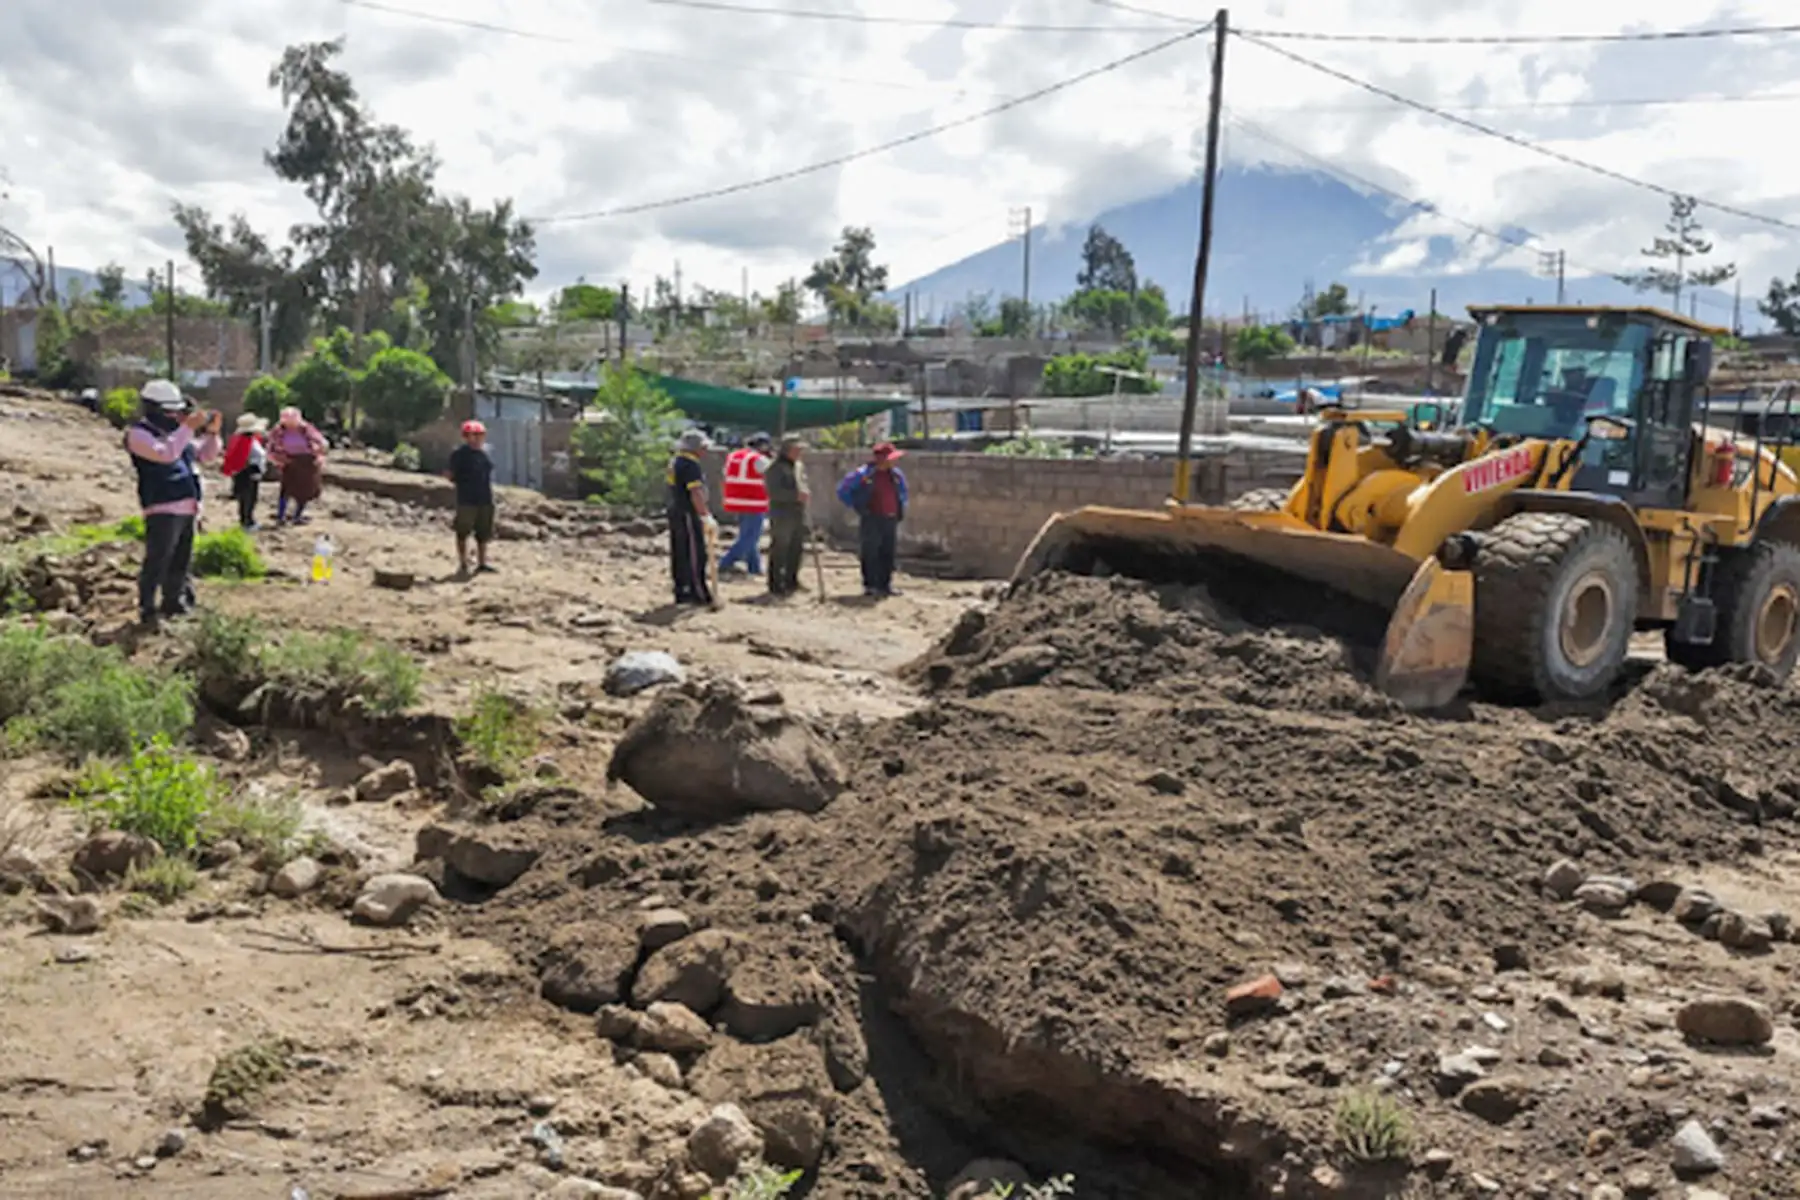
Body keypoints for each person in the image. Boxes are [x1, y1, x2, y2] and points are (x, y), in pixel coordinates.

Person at [124, 379, 221, 628]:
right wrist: (187, 428)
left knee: (181, 560)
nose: (175, 415)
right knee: (158, 560)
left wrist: (212, 433)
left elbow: (205, 455)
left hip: (187, 505)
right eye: (170, 411)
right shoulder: (139, 434)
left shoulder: (177, 434)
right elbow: (164, 454)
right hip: (162, 505)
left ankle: (174, 604)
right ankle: (147, 608)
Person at [835, 441, 908, 598]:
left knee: (888, 551)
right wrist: (859, 507)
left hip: (890, 518)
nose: (894, 461)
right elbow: (843, 490)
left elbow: (902, 493)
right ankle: (871, 585)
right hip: (872, 518)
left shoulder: (896, 475)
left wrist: (899, 509)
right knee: (871, 552)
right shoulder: (864, 474)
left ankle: (885, 584)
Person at [667, 429, 715, 605]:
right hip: (687, 512)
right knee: (694, 553)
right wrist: (705, 515)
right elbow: (695, 492)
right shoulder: (689, 464)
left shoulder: (676, 461)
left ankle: (682, 590)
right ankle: (698, 592)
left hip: (676, 511)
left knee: (680, 551)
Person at [447, 419, 497, 577]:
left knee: (483, 532)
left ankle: (482, 563)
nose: (477, 438)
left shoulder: (484, 455)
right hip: (467, 500)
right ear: (466, 436)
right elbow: (449, 474)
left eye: (480, 435)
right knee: (462, 531)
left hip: (485, 499)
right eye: (474, 435)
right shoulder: (459, 455)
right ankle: (463, 563)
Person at [718, 432, 772, 576]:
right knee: (750, 537)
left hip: (735, 501)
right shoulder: (758, 459)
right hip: (753, 502)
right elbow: (772, 474)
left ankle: (754, 568)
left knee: (746, 535)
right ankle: (725, 563)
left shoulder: (733, 456)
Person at [765, 436, 811, 597]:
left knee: (796, 547)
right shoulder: (775, 468)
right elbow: (773, 492)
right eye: (796, 449)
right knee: (780, 548)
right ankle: (776, 583)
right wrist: (795, 496)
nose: (799, 453)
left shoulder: (798, 466)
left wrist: (804, 495)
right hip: (781, 513)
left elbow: (802, 484)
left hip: (797, 512)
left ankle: (792, 580)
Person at [268, 406, 327, 525]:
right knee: (285, 491)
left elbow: (321, 442)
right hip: (289, 462)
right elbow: (271, 448)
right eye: (288, 422)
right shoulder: (278, 431)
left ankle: (297, 516)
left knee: (305, 491)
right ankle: (281, 516)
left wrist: (319, 455)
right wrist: (278, 460)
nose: (291, 425)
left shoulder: (306, 429)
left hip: (307, 462)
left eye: (293, 422)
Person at [221, 413, 268, 531]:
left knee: (247, 498)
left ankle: (247, 520)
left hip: (247, 472)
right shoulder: (245, 441)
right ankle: (247, 522)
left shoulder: (245, 439)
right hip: (248, 473)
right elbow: (243, 459)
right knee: (248, 498)